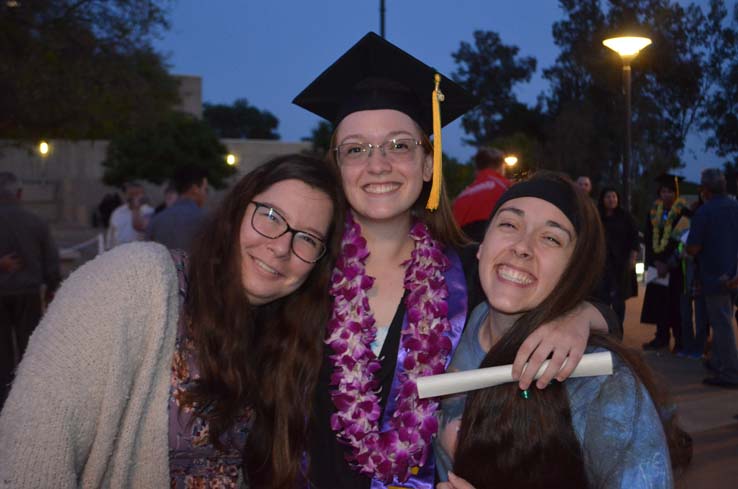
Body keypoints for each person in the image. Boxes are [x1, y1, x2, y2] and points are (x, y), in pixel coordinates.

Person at [293, 32, 616, 489]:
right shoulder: (304, 270)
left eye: (399, 145)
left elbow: (605, 315)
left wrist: (578, 317)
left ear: (428, 165)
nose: (379, 164)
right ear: (337, 166)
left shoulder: (469, 272)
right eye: (356, 149)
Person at [0, 154, 346, 488]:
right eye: (271, 215)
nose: (282, 247)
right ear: (238, 209)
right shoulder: (135, 281)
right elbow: (31, 453)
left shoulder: (283, 342)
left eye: (307, 238)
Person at [435, 172, 691, 489]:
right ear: (481, 245)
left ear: (574, 271)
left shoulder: (599, 382)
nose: (522, 247)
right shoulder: (451, 326)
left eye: (551, 238)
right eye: (509, 224)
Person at [0, 171, 61, 408]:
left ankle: (3, 401)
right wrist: (52, 287)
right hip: (28, 293)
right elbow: (51, 261)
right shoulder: (36, 222)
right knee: (29, 347)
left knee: (2, 353)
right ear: (19, 193)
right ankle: (28, 401)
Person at [686, 168, 738, 388]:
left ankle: (730, 373)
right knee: (724, 322)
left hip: (715, 278)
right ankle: (718, 361)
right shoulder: (735, 206)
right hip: (734, 274)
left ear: (704, 189)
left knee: (722, 325)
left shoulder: (704, 212)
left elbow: (693, 247)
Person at [641, 173, 689, 351]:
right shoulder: (653, 212)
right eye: (663, 191)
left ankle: (680, 340)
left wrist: (668, 263)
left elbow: (682, 240)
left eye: (670, 191)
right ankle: (661, 337)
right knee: (659, 303)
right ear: (659, 193)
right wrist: (655, 262)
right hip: (657, 266)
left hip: (676, 268)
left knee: (676, 304)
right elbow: (648, 238)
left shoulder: (684, 212)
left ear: (676, 194)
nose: (666, 195)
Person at [595, 187, 639, 329]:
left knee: (619, 301)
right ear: (602, 199)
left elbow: (634, 239)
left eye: (614, 196)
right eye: (608, 197)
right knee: (602, 300)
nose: (611, 199)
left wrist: (633, 258)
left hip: (621, 265)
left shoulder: (626, 217)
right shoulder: (596, 216)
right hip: (601, 265)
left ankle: (618, 332)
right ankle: (604, 332)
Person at [452, 147, 511, 242]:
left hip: (464, 248)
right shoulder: (506, 187)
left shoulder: (461, 196)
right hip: (495, 242)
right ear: (501, 167)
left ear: (477, 169)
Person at [146, 165, 209, 252]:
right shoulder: (206, 219)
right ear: (195, 189)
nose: (206, 195)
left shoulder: (157, 219)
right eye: (205, 189)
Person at [106, 181, 154, 248]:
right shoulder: (117, 213)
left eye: (137, 194)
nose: (134, 197)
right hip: (119, 253)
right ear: (125, 195)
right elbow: (111, 236)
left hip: (140, 253)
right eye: (131, 194)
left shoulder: (149, 212)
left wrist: (136, 208)